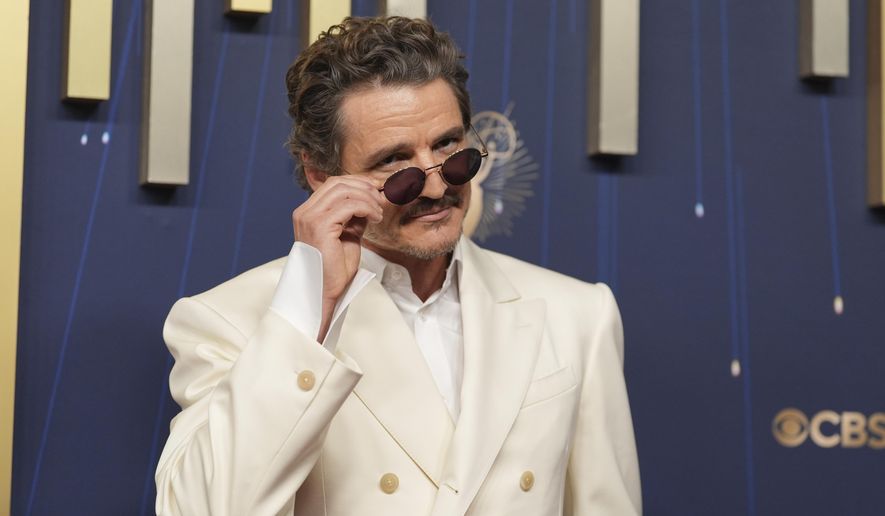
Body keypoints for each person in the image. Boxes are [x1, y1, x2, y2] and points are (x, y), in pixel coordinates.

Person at [154, 16, 640, 516]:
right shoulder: (229, 320)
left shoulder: (579, 315)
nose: (435, 187)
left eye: (450, 148)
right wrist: (307, 312)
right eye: (396, 164)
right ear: (323, 177)